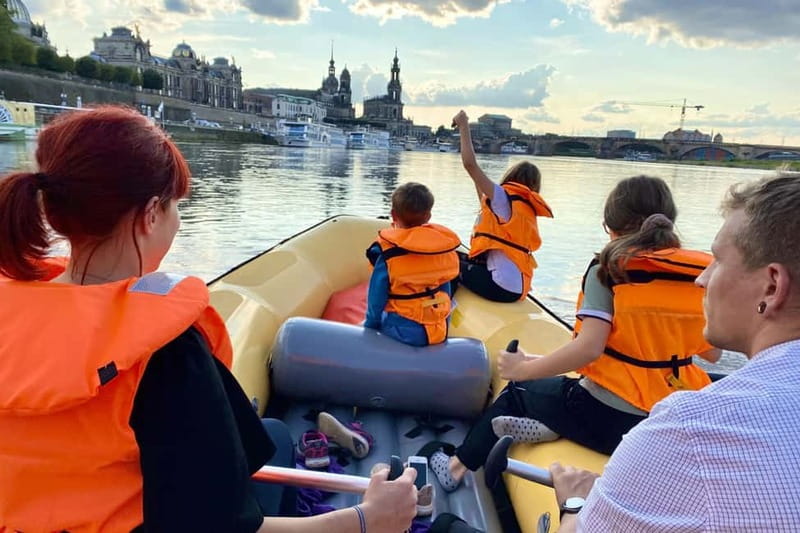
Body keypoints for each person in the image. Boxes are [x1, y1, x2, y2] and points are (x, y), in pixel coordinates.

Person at [0, 106, 418, 532]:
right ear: (150, 216)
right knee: (271, 442)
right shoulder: (165, 358)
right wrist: (369, 519)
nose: (178, 220)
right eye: (176, 206)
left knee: (270, 434)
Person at [429, 175, 719, 492]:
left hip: (611, 417)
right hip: (665, 416)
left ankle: (455, 468)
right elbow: (711, 352)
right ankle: (549, 425)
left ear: (610, 225)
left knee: (518, 392)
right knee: (570, 388)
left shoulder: (609, 269)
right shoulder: (697, 275)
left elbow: (589, 349)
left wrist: (523, 369)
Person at [549, 173, 800, 531]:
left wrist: (574, 502)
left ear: (772, 286)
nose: (702, 278)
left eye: (717, 261)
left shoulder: (690, 428)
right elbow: (709, 355)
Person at [451, 110, 553, 303]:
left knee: (444, 260)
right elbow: (480, 190)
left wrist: (464, 125)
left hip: (499, 286)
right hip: (517, 288)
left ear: (510, 177)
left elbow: (470, 165)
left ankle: (441, 312)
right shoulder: (520, 207)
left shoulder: (503, 198)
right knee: (456, 255)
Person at [364, 181, 460, 346]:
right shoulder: (442, 249)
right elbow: (445, 289)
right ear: (428, 216)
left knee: (371, 323)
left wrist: (370, 326)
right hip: (438, 329)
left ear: (393, 215)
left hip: (403, 331)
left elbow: (376, 297)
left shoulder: (387, 253)